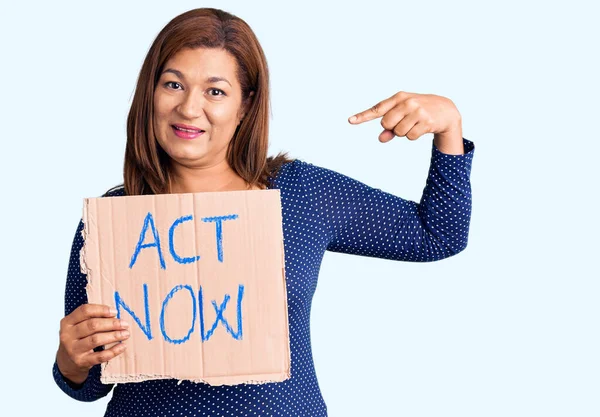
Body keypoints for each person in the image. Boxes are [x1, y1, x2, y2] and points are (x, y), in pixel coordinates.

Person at [52, 7, 475, 417]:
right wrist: (71, 363)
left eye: (215, 91)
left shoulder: (299, 195)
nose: (188, 108)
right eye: (173, 84)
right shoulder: (114, 220)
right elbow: (91, 381)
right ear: (151, 93)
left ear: (245, 105)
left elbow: (436, 234)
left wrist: (449, 128)